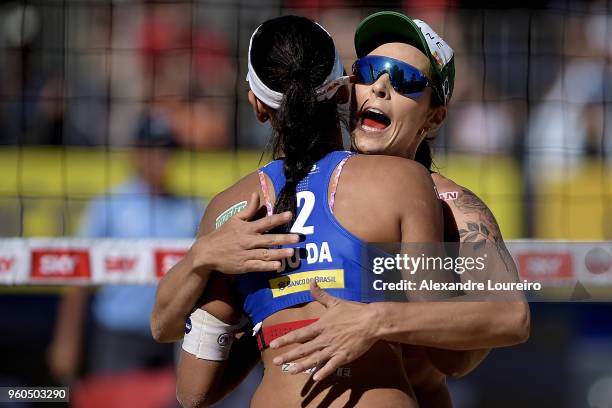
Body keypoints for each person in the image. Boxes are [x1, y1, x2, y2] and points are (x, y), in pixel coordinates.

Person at [151, 12, 530, 408]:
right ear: (346, 89)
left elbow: (490, 333)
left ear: (434, 117)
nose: (380, 87)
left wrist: (376, 320)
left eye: (405, 80)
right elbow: (194, 376)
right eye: (369, 71)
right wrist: (267, 315)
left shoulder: (451, 205)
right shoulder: (294, 195)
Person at [47, 111, 203, 406]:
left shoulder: (191, 209)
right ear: (136, 154)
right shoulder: (110, 205)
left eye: (167, 150)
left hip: (175, 334)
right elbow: (79, 276)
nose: (161, 159)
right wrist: (66, 340)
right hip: (120, 336)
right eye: (153, 150)